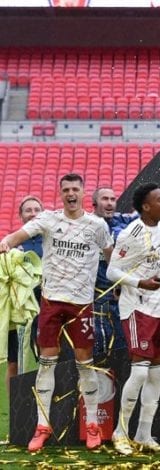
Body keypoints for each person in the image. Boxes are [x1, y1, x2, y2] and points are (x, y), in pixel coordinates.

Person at [0, 174, 113, 452]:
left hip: (81, 304)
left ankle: (92, 424)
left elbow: (111, 256)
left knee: (85, 363)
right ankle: (42, 426)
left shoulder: (97, 226)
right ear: (61, 193)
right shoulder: (49, 219)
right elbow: (18, 235)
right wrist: (6, 242)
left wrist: (122, 279)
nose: (71, 194)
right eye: (66, 190)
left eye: (75, 189)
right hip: (51, 303)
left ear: (83, 193)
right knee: (46, 363)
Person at [107, 183, 160, 455]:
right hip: (136, 307)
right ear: (146, 206)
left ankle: (143, 434)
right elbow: (112, 271)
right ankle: (120, 432)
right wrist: (140, 283)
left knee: (158, 371)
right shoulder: (130, 233)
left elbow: (155, 255)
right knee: (141, 370)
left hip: (158, 307)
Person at [6, 196, 43, 398]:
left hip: (47, 308)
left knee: (47, 358)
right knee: (15, 361)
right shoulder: (12, 243)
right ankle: (16, 407)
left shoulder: (51, 241)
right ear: (20, 216)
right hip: (20, 311)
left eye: (36, 210)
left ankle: (45, 404)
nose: (33, 214)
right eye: (28, 210)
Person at [92, 187, 135, 359]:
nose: (110, 203)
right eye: (105, 199)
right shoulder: (85, 227)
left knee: (124, 346)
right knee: (100, 347)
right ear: (94, 203)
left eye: (112, 199)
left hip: (121, 296)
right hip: (96, 298)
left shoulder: (124, 227)